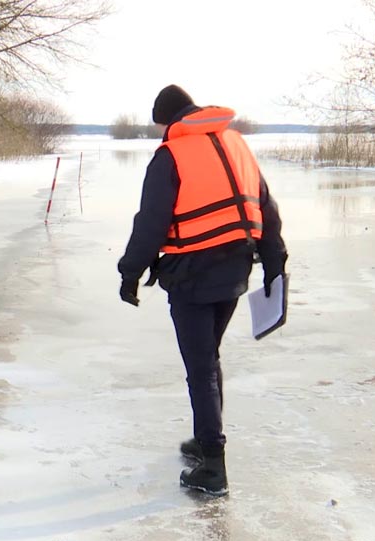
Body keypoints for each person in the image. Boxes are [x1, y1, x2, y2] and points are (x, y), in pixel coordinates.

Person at [117, 85, 287, 496]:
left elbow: (151, 221)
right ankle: (205, 439)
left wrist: (130, 272)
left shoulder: (170, 156)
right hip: (236, 270)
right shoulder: (236, 144)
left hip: (192, 276)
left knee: (200, 368)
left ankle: (213, 465)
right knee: (208, 360)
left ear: (169, 120)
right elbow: (264, 205)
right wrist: (275, 260)